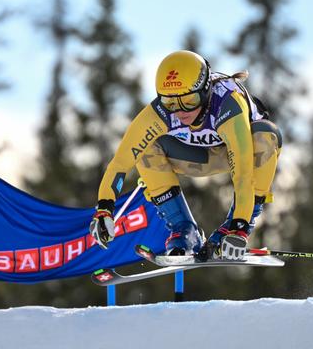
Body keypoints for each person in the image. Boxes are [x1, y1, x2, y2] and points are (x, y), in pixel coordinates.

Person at [89, 50, 282, 260]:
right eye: (170, 102)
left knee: (267, 135)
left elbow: (243, 175)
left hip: (241, 154)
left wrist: (239, 227)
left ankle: (230, 229)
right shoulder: (158, 113)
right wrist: (104, 210)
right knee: (146, 147)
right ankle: (184, 230)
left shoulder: (227, 103)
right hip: (196, 158)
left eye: (190, 100)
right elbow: (120, 164)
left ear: (206, 89)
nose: (180, 111)